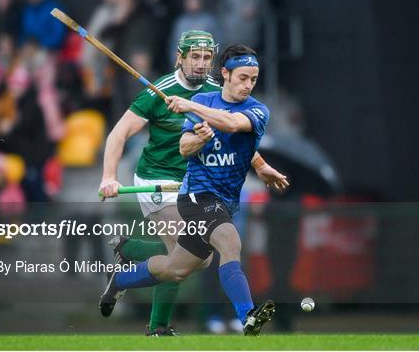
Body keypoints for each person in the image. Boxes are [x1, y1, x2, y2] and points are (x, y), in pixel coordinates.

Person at [98, 32, 286, 336]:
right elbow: (118, 135)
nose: (200, 64)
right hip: (157, 178)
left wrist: (261, 166)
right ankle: (159, 327)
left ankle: (125, 264)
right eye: (194, 57)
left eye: (206, 58)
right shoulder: (158, 91)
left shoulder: (216, 92)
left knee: (191, 262)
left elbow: (234, 135)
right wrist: (109, 177)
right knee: (197, 246)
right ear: (180, 57)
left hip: (193, 180)